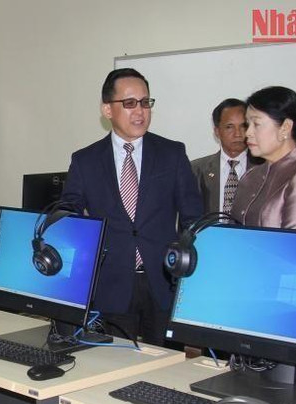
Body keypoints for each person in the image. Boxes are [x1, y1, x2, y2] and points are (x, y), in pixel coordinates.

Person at [61, 68, 203, 346]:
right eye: (129, 103)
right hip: (111, 283)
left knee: (166, 369)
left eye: (145, 102)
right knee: (113, 368)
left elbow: (192, 217)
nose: (140, 111)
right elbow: (69, 216)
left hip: (163, 282)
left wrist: (186, 270)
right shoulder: (85, 160)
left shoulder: (172, 154)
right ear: (107, 109)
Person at [230, 86, 296, 230]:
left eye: (256, 124)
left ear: (285, 127)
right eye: (248, 124)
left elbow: (294, 245)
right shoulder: (251, 175)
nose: (248, 133)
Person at [190, 98, 263, 214]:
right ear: (217, 132)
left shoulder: (265, 169)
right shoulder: (195, 170)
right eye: (230, 127)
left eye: (243, 126)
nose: (238, 134)